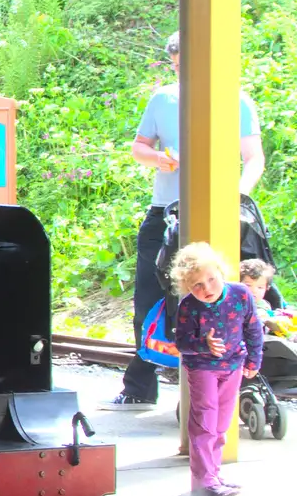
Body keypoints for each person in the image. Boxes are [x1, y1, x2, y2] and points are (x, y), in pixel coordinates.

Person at [111, 31, 265, 408]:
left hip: (218, 212)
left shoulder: (237, 101)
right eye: (178, 67)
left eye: (189, 66)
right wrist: (161, 160)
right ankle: (140, 385)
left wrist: (238, 196)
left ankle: (224, 379)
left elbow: (254, 159)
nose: (183, 73)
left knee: (220, 297)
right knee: (149, 297)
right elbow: (138, 147)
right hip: (165, 213)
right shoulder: (163, 98)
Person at [169, 242, 264, 496]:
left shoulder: (241, 294)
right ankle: (204, 481)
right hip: (202, 368)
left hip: (233, 364)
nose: (207, 288)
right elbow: (182, 344)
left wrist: (254, 359)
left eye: (211, 279)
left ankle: (214, 474)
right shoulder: (188, 306)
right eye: (197, 285)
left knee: (222, 424)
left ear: (221, 272)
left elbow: (253, 328)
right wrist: (204, 344)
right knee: (205, 423)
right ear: (188, 287)